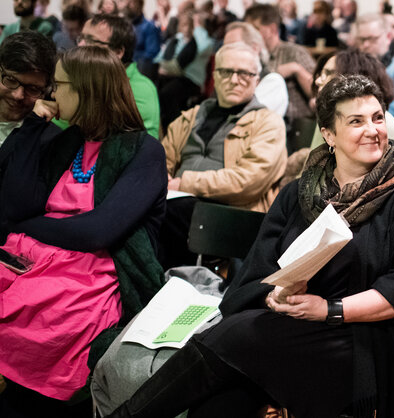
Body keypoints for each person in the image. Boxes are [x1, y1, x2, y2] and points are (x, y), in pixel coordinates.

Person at [106, 74, 394, 418]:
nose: (373, 129)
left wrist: (328, 309)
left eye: (377, 118)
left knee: (234, 337)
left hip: (369, 343)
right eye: (356, 121)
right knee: (219, 404)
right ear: (328, 134)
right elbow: (257, 272)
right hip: (289, 332)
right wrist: (275, 295)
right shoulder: (298, 193)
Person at [0, 46, 166, 415]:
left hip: (93, 271)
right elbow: (14, 204)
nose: (51, 95)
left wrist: (27, 227)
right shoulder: (66, 139)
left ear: (85, 90)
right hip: (35, 255)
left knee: (46, 314)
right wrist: (30, 127)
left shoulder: (144, 151)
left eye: (57, 85)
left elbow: (99, 232)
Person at [158, 42, 286, 268]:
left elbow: (248, 181)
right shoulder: (191, 117)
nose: (235, 79)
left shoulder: (268, 123)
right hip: (178, 203)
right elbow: (162, 160)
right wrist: (162, 182)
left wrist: (184, 183)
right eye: (227, 72)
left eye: (245, 74)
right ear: (215, 76)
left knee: (166, 213)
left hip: (231, 212)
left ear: (257, 80)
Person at [75, 13, 161, 139]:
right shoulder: (84, 75)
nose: (80, 45)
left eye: (90, 40)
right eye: (81, 38)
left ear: (117, 52)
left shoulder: (140, 90)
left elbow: (133, 148)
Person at [310, 48, 394, 151]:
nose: (318, 81)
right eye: (321, 74)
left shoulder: (387, 125)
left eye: (329, 73)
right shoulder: (329, 117)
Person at [245, 4, 316, 122]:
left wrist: (297, 69)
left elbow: (319, 93)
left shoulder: (294, 52)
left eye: (255, 29)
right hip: (262, 121)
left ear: (272, 29)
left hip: (295, 127)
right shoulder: (254, 56)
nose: (250, 35)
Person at [154, 9, 213, 131]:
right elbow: (161, 56)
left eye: (191, 24)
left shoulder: (203, 40)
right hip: (174, 76)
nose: (186, 28)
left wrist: (198, 28)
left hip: (191, 79)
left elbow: (199, 49)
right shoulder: (178, 38)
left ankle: (175, 130)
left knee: (167, 94)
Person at [0, 31, 55, 147]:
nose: (18, 95)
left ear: (47, 91)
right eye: (11, 80)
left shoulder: (51, 142)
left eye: (33, 89)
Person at [224, 21, 288, 116]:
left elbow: (244, 118)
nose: (226, 54)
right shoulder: (224, 77)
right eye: (224, 48)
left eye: (233, 47)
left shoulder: (273, 81)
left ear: (255, 48)